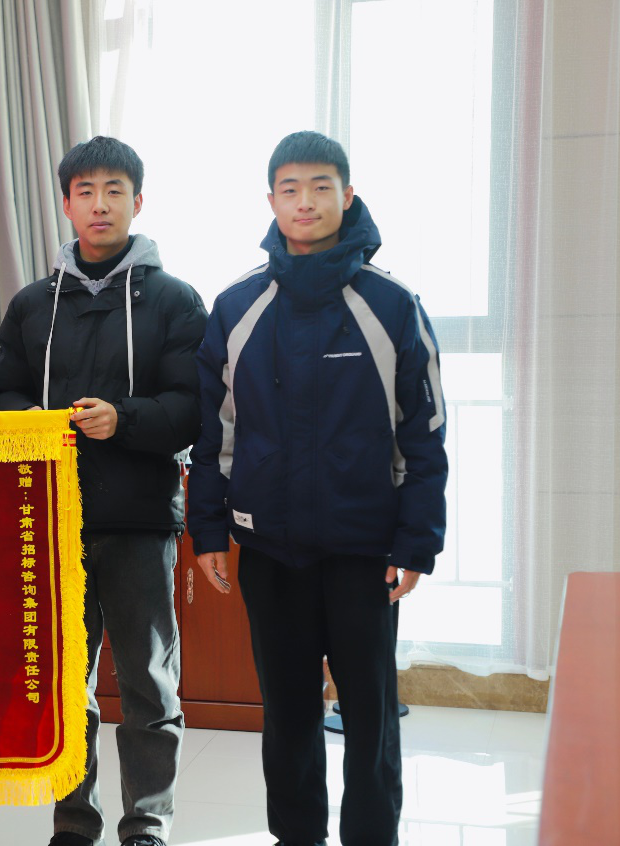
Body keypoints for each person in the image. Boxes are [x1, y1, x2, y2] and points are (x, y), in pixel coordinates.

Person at [187, 130, 449, 846]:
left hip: (364, 549)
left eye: (320, 186)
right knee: (287, 712)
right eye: (290, 188)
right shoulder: (236, 305)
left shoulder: (391, 304)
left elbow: (423, 433)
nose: (305, 201)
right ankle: (295, 836)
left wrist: (416, 543)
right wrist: (207, 529)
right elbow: (213, 433)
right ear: (270, 200)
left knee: (370, 712)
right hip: (270, 550)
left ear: (347, 194)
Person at [0, 136, 207, 846]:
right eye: (84, 191)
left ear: (137, 202)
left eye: (114, 190)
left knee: (148, 683)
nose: (99, 204)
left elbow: (192, 408)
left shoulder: (175, 300)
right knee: (64, 687)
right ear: (66, 204)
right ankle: (72, 823)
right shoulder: (32, 305)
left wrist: (123, 419)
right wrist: (30, 419)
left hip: (139, 520)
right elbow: (2, 394)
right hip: (51, 523)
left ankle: (147, 823)